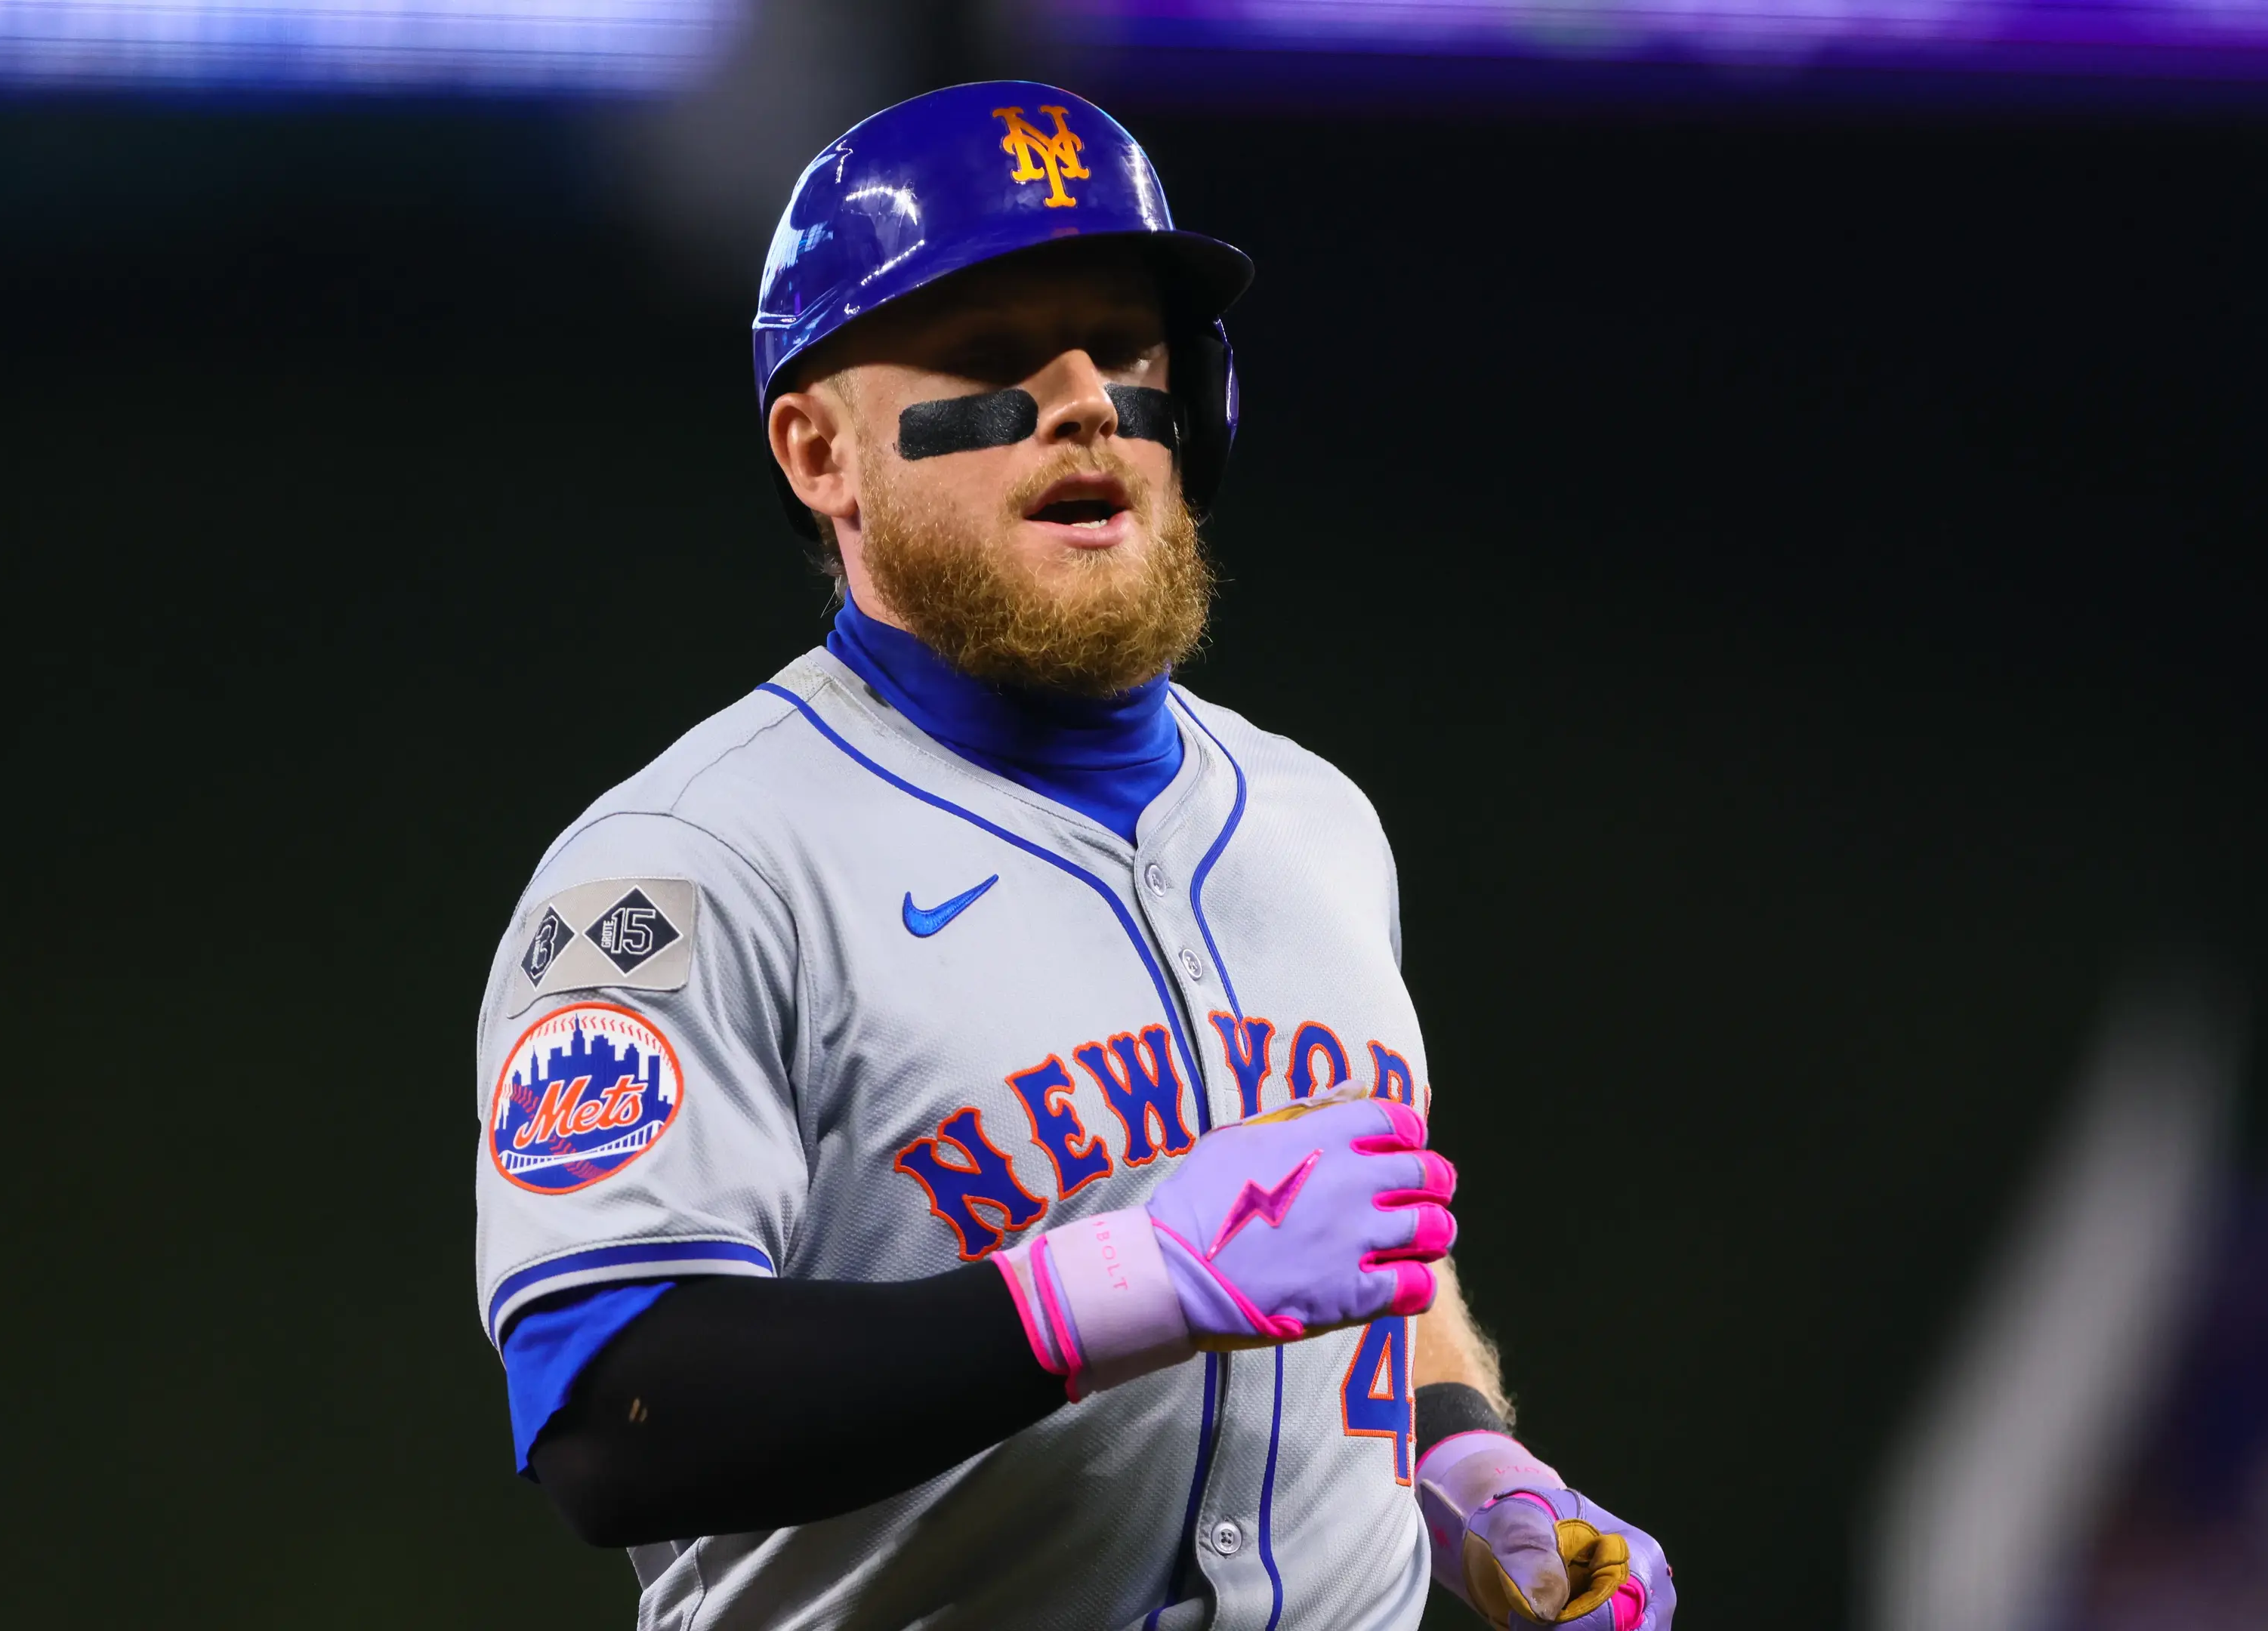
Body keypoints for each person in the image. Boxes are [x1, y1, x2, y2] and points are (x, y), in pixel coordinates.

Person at [471, 81, 1674, 1631]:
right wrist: (1121, 1284)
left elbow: (1364, 1257)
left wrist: (1474, 1472)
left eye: (1124, 350)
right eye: (990, 358)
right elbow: (612, 1421)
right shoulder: (680, 877)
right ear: (821, 455)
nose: (1088, 399)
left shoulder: (1316, 822)